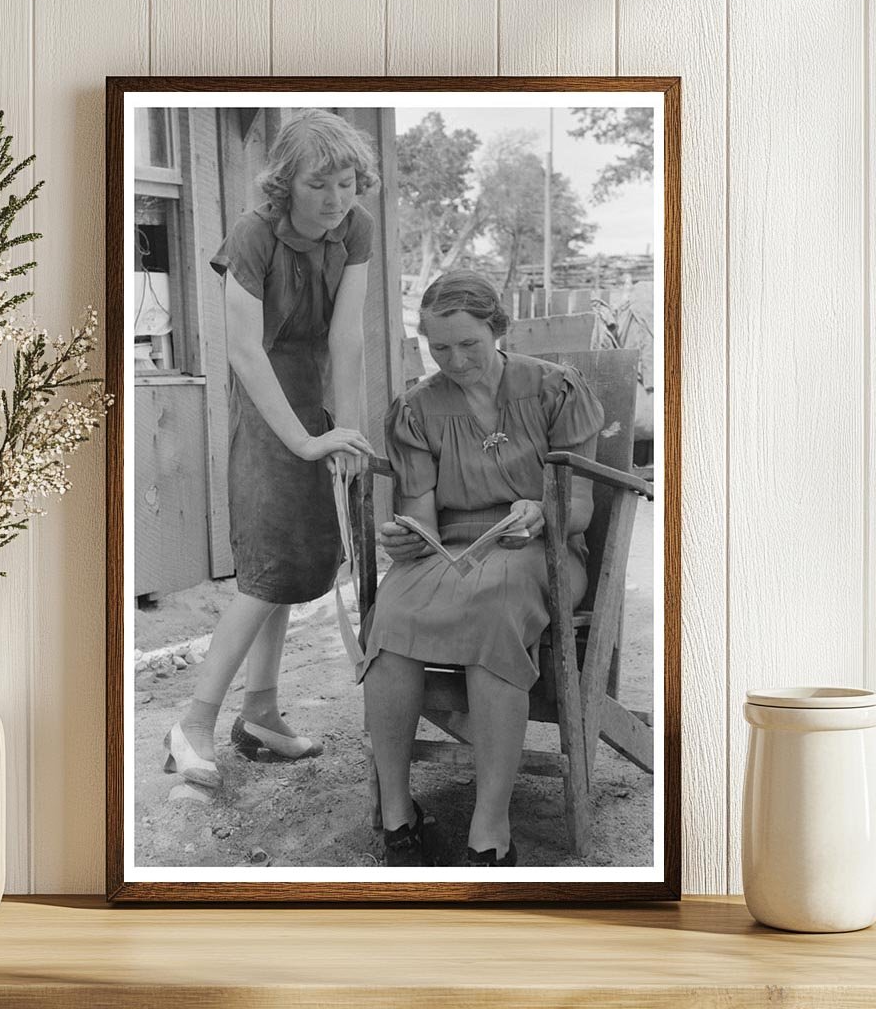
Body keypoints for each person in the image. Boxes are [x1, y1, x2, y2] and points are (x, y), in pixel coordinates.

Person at [360, 270, 605, 866]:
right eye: (439, 348)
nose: (455, 360)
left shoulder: (554, 390)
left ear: (499, 330)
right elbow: (420, 516)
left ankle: (490, 821)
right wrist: (404, 538)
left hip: (540, 549)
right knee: (389, 616)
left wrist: (542, 513)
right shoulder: (416, 407)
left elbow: (579, 507)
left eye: (469, 344)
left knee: (496, 613)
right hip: (453, 551)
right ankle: (397, 810)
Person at [163, 109, 377, 790]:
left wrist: (346, 431)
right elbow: (244, 352)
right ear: (286, 182)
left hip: (314, 404)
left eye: (346, 181)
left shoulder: (356, 232)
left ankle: (260, 716)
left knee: (299, 568)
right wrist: (304, 439)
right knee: (266, 571)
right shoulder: (253, 236)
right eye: (320, 184)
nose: (336, 197)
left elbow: (345, 342)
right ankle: (192, 724)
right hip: (265, 411)